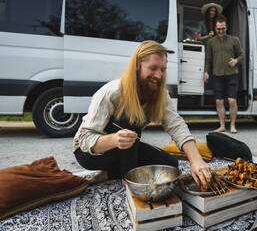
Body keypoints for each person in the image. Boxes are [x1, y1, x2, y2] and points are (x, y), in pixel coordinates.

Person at [73, 40, 211, 189]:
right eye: (153, 68)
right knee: (130, 118)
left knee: (170, 164)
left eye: (163, 70)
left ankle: (110, 173)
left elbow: (175, 124)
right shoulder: (112, 92)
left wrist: (195, 160)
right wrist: (114, 139)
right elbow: (85, 140)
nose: (158, 76)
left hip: (126, 149)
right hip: (91, 154)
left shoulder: (160, 94)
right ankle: (129, 177)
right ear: (138, 66)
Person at [204, 17, 243, 134]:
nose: (221, 31)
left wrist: (236, 61)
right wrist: (206, 71)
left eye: (223, 28)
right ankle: (222, 126)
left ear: (227, 28)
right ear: (215, 28)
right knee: (219, 101)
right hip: (217, 75)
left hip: (232, 75)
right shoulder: (211, 42)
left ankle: (232, 125)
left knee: (231, 101)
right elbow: (208, 59)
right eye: (218, 29)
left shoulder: (234, 40)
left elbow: (242, 55)